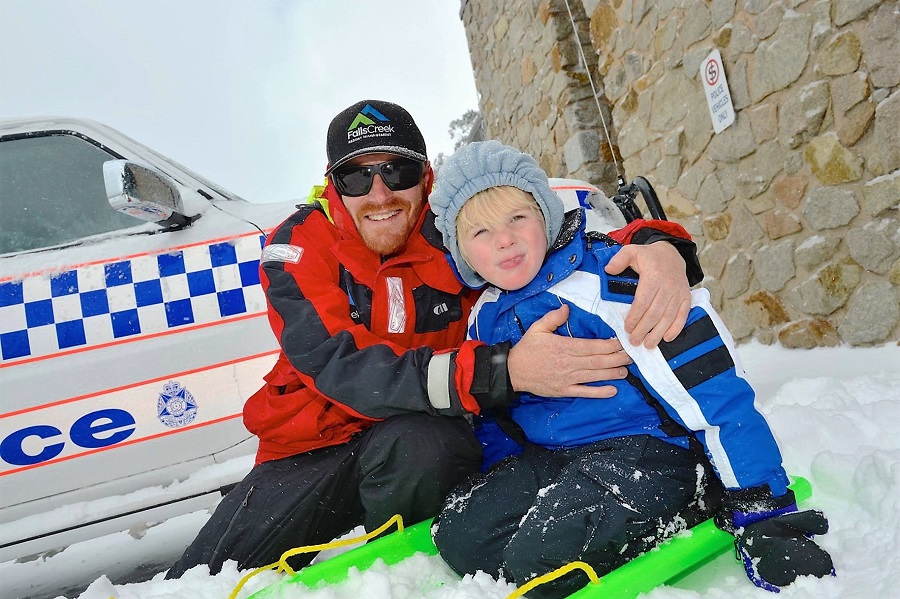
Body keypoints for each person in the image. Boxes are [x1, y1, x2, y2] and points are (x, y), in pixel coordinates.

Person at [166, 100, 702, 578]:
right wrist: (503, 370)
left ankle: (408, 574)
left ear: (424, 177)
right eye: (356, 178)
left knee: (426, 441)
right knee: (205, 579)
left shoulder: (455, 232)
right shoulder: (295, 247)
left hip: (416, 443)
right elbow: (341, 366)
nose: (379, 194)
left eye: (395, 171)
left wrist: (659, 247)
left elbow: (557, 240)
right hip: (311, 447)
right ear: (334, 186)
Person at [428, 140, 835, 598]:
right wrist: (505, 487)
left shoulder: (608, 279)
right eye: (480, 232)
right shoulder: (486, 316)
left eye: (517, 218)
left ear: (545, 214)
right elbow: (501, 419)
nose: (503, 239)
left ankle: (699, 498)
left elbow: (712, 390)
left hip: (650, 452)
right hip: (558, 457)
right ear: (461, 252)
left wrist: (766, 514)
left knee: (538, 560)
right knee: (460, 537)